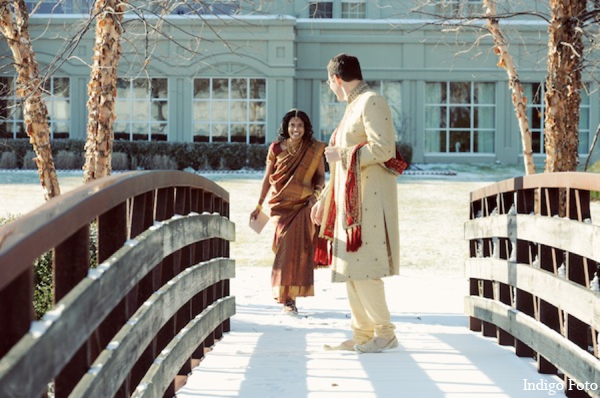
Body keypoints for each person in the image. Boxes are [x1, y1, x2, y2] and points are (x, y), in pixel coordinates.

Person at [310, 53, 400, 353]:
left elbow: (385, 149)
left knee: (365, 269)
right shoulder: (353, 106)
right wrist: (324, 199)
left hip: (367, 204)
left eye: (329, 81)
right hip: (347, 204)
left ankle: (385, 333)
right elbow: (338, 164)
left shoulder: (371, 101)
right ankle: (362, 334)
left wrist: (345, 154)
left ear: (337, 79)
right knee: (351, 269)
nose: (329, 87)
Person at [250, 109, 326, 314]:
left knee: (298, 250)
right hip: (281, 207)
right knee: (284, 248)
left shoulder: (314, 149)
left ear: (306, 127)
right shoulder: (276, 148)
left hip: (304, 206)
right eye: (292, 125)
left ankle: (289, 299)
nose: (296, 129)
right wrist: (259, 204)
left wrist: (315, 195)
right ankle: (285, 295)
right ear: (286, 127)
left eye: (300, 125)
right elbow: (268, 178)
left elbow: (320, 177)